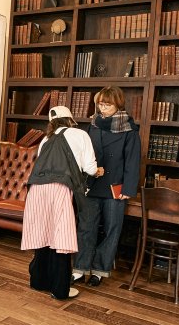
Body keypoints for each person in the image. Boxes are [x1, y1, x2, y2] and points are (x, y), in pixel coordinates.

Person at [22, 106, 101, 301]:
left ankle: (39, 281)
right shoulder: (80, 134)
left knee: (43, 234)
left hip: (36, 189)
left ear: (51, 123)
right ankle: (60, 289)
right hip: (59, 189)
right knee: (61, 238)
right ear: (70, 119)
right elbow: (90, 168)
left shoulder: (46, 139)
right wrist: (99, 171)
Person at [74, 86, 142, 286]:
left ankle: (99, 270)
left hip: (115, 187)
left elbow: (132, 162)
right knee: (86, 227)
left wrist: (128, 189)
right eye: (100, 104)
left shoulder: (129, 130)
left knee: (112, 229)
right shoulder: (93, 125)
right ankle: (80, 268)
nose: (102, 109)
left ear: (118, 104)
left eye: (107, 105)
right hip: (91, 184)